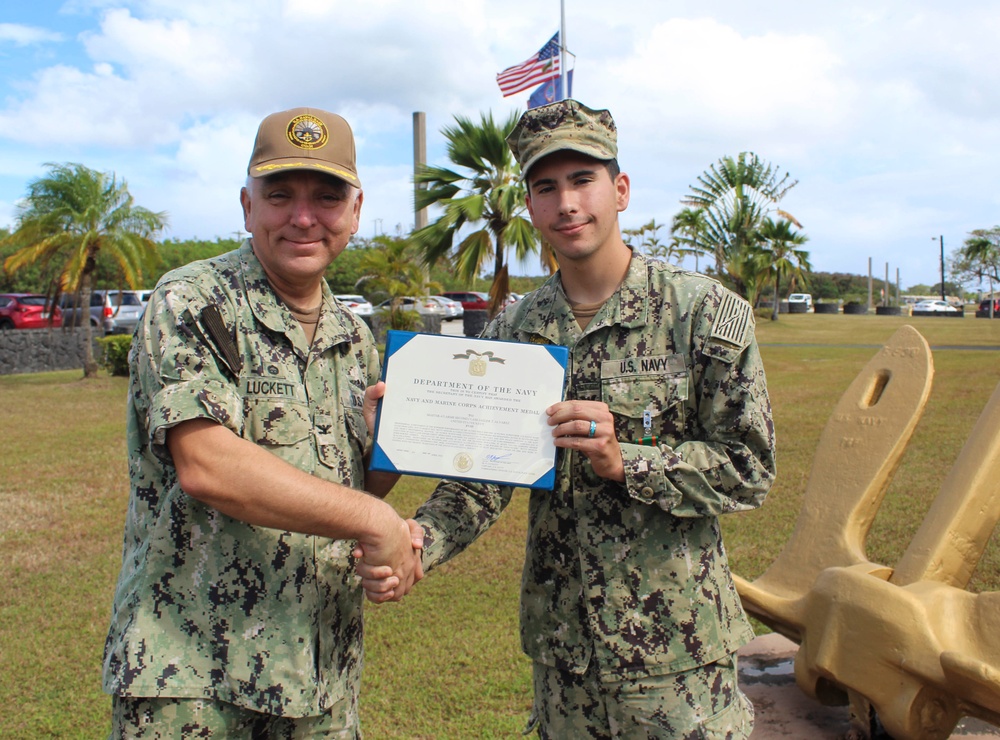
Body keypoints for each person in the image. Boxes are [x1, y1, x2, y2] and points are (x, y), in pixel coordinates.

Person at [363, 100, 776, 738]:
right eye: (545, 187)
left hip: (677, 655)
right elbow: (482, 477)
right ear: (530, 205)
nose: (566, 203)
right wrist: (420, 539)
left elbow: (748, 469)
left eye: (583, 179)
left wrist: (626, 461)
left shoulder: (701, 313)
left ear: (620, 189)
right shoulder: (513, 330)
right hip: (564, 658)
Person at [102, 107, 422, 738]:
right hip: (192, 678)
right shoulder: (192, 301)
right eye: (280, 195)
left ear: (355, 212)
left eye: (327, 197)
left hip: (319, 674)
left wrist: (387, 458)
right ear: (248, 207)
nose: (303, 217)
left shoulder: (355, 338)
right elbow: (207, 465)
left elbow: (339, 490)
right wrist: (376, 520)